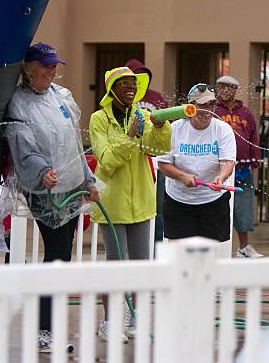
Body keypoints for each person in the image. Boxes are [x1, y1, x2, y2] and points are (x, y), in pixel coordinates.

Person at [5, 42, 100, 353]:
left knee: (62, 257)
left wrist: (88, 180)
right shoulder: (19, 102)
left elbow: (74, 142)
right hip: (45, 190)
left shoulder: (62, 97)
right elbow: (22, 143)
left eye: (53, 66)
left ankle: (50, 327)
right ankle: (45, 329)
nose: (51, 71)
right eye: (45, 66)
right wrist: (42, 169)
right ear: (29, 68)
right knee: (56, 257)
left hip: (71, 187)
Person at [89, 66, 171, 341]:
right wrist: (130, 138)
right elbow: (106, 161)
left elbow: (157, 150)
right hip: (112, 203)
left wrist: (160, 128)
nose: (130, 88)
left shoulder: (142, 115)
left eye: (133, 84)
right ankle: (110, 322)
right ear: (112, 89)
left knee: (140, 264)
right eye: (124, 84)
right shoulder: (98, 120)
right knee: (116, 263)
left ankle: (135, 318)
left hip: (142, 202)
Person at [157, 83, 236, 242]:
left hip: (212, 201)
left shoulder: (222, 129)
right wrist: (182, 176)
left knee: (208, 254)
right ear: (190, 107)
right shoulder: (175, 128)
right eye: (202, 105)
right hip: (178, 200)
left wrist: (221, 178)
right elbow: (163, 164)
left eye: (211, 104)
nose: (207, 109)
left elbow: (228, 161)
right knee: (178, 252)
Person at [214, 75, 263, 258]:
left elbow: (253, 138)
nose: (226, 91)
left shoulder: (245, 113)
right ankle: (219, 248)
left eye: (230, 88)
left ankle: (244, 248)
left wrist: (254, 159)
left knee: (244, 209)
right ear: (217, 89)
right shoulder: (213, 111)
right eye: (222, 87)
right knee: (219, 208)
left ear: (235, 90)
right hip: (219, 168)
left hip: (242, 169)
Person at [125, 59, 170, 244]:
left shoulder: (157, 97)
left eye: (142, 76)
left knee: (157, 206)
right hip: (129, 157)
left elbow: (167, 125)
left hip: (154, 160)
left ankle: (156, 246)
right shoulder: (123, 100)